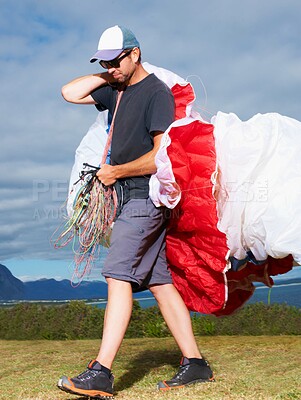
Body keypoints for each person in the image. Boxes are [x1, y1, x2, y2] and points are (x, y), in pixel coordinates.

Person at [57, 25, 214, 399]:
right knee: (159, 281)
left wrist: (117, 171)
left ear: (135, 53)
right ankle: (195, 363)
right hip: (127, 198)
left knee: (117, 275)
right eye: (104, 61)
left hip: (146, 198)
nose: (110, 68)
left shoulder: (156, 93)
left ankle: (101, 373)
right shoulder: (115, 90)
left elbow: (162, 157)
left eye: (116, 59)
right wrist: (107, 71)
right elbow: (68, 92)